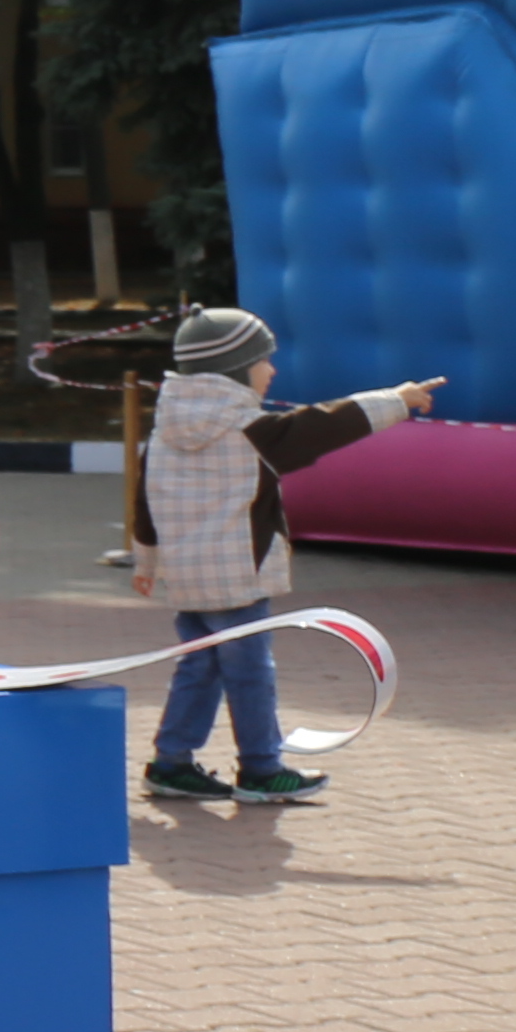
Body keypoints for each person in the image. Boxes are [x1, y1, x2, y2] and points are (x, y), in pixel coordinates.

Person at [128, 307, 433, 807]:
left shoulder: (164, 431)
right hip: (238, 577)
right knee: (250, 672)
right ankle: (262, 770)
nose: (272, 370)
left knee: (200, 667)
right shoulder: (253, 430)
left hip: (189, 578)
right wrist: (396, 400)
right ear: (234, 368)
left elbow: (144, 498)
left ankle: (172, 762)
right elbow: (326, 425)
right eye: (264, 361)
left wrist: (146, 562)